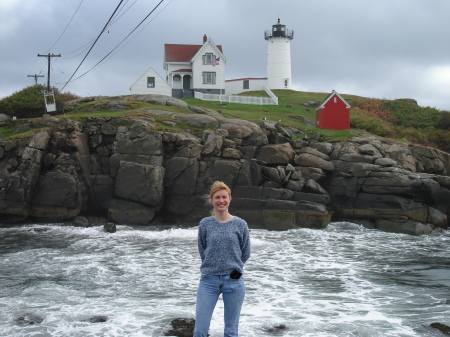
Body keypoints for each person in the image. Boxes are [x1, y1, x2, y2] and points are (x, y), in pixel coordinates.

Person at [193, 181, 251, 337]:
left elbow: (245, 252)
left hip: (234, 281)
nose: (221, 201)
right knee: (200, 330)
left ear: (230, 198)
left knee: (231, 331)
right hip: (208, 281)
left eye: (224, 197)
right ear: (212, 200)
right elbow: (202, 250)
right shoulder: (205, 224)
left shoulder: (240, 224)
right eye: (217, 197)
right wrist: (213, 267)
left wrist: (235, 271)